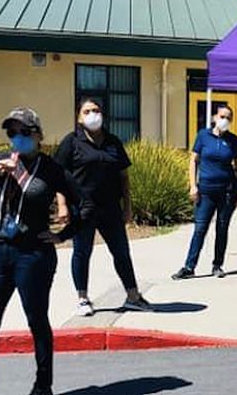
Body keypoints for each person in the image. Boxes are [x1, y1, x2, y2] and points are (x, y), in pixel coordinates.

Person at [0, 108, 92, 395]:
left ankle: (43, 385)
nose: (17, 138)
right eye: (12, 133)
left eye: (24, 132)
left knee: (36, 320)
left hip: (33, 255)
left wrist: (62, 235)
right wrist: (0, 167)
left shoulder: (51, 170)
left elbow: (86, 205)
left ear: (38, 135)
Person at [54, 98, 152, 317]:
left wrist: (127, 206)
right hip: (82, 209)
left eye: (96, 110)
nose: (93, 114)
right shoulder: (71, 142)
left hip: (110, 208)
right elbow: (58, 176)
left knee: (121, 252)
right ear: (79, 117)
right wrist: (62, 205)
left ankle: (133, 296)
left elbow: (123, 177)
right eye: (87, 111)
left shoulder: (113, 142)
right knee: (82, 252)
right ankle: (82, 298)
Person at [172, 104, 237, 280]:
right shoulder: (203, 136)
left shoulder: (234, 141)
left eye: (228, 118)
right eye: (222, 116)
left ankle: (217, 265)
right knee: (200, 228)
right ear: (214, 117)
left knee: (222, 228)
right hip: (205, 191)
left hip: (228, 191)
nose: (225, 120)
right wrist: (193, 185)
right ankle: (189, 267)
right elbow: (193, 161)